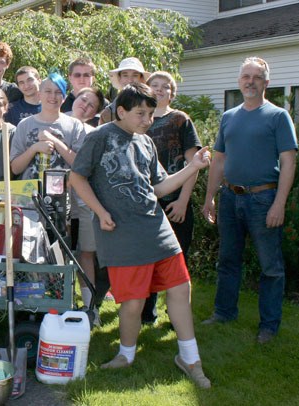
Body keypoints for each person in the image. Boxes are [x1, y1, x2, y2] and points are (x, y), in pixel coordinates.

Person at [69, 83, 212, 388]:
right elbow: (77, 177)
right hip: (121, 233)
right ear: (121, 111)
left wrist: (193, 166)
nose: (148, 119)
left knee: (180, 289)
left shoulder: (146, 143)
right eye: (140, 113)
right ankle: (125, 355)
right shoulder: (99, 137)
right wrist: (100, 211)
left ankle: (190, 358)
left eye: (150, 113)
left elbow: (159, 187)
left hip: (157, 228)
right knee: (133, 302)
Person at [202, 57, 298, 344]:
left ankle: (269, 326)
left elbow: (289, 161)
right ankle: (224, 312)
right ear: (239, 81)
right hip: (230, 197)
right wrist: (210, 198)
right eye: (246, 76)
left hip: (263, 198)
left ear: (266, 83)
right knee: (228, 260)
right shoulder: (229, 117)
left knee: (271, 266)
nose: (250, 81)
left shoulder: (278, 116)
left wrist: (279, 203)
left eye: (257, 77)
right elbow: (218, 160)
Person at [138, 71, 202, 325]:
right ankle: (147, 313)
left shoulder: (181, 120)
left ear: (172, 93)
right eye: (155, 85)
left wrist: (183, 201)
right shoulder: (140, 121)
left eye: (166, 86)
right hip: (146, 202)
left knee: (178, 264)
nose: (160, 89)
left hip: (175, 201)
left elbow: (193, 164)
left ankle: (177, 318)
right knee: (148, 260)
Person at [66, 86, 105, 327]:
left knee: (85, 254)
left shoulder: (93, 134)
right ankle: (58, 303)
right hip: (52, 202)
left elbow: (81, 165)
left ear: (94, 113)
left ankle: (90, 308)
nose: (85, 105)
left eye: (91, 105)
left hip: (82, 202)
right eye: (83, 99)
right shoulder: (54, 123)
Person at [10, 73, 85, 180]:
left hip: (64, 193)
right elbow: (15, 169)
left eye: (58, 92)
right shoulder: (24, 125)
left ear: (64, 97)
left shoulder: (75, 125)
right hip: (30, 193)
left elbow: (80, 166)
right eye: (48, 91)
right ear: (39, 94)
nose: (53, 96)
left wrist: (54, 140)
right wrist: (34, 148)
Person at [99, 57, 149, 125]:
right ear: (119, 78)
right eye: (125, 75)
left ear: (141, 78)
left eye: (135, 75)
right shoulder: (108, 114)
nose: (130, 80)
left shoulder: (152, 107)